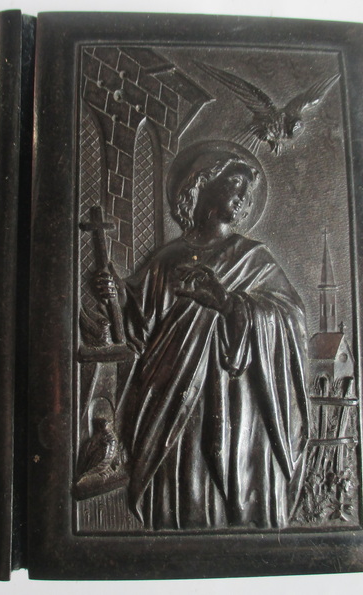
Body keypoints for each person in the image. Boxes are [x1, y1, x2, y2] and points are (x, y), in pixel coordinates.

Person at [95, 142, 309, 530]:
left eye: (248, 193)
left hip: (232, 394)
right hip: (170, 390)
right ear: (202, 185)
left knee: (222, 461)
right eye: (235, 185)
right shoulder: (167, 259)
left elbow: (290, 318)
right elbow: (140, 322)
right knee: (181, 471)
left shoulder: (254, 258)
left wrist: (228, 303)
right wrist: (117, 293)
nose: (243, 199)